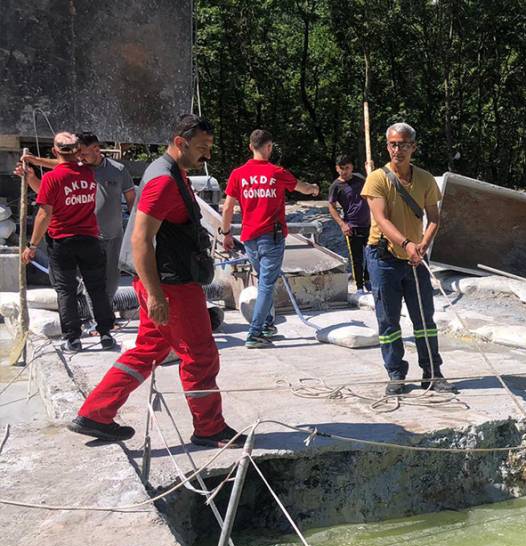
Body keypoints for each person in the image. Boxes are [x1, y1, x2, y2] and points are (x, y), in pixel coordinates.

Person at [70, 114, 246, 447]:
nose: (206, 155)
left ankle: (95, 414)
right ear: (180, 142)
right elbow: (140, 239)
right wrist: (155, 295)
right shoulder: (164, 180)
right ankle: (209, 428)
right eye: (201, 147)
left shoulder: (168, 171)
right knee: (200, 354)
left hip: (165, 280)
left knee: (149, 349)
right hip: (170, 285)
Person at [361, 123, 456, 395]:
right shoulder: (377, 179)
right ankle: (396, 375)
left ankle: (432, 372)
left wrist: (423, 244)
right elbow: (381, 217)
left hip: (414, 259)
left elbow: (434, 218)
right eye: (392, 144)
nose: (397, 150)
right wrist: (405, 243)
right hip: (384, 258)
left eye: (403, 144)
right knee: (388, 321)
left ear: (413, 146)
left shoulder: (425, 180)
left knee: (424, 318)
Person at [220, 129, 319, 349]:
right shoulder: (276, 172)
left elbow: (227, 207)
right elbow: (300, 187)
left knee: (261, 279)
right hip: (271, 238)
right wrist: (313, 189)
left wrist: (226, 234)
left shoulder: (238, 174)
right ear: (269, 147)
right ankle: (254, 333)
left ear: (250, 147)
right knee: (266, 284)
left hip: (249, 237)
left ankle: (266, 324)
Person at [18, 132, 115, 352]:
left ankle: (73, 337)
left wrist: (32, 246)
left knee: (66, 290)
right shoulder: (89, 173)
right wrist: (33, 171)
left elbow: (45, 213)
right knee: (97, 288)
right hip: (90, 240)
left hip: (63, 242)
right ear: (78, 152)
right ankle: (106, 333)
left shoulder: (53, 178)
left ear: (54, 151)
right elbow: (56, 182)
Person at [18, 133, 136, 313]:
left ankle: (99, 320)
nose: (78, 157)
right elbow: (51, 191)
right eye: (77, 153)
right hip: (81, 236)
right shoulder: (78, 169)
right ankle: (89, 319)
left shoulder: (118, 170)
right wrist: (33, 166)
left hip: (111, 235)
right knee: (64, 279)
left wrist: (135, 231)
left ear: (97, 150)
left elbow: (132, 201)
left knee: (108, 280)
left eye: (83, 154)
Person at [327, 154, 370, 290]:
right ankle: (359, 287)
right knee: (357, 258)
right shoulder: (336, 186)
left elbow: (372, 187)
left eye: (347, 168)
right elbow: (331, 206)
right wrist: (342, 224)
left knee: (371, 255)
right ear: (337, 168)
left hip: (368, 224)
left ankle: (368, 281)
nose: (344, 171)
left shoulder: (360, 179)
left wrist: (371, 170)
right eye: (342, 168)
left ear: (352, 167)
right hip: (352, 226)